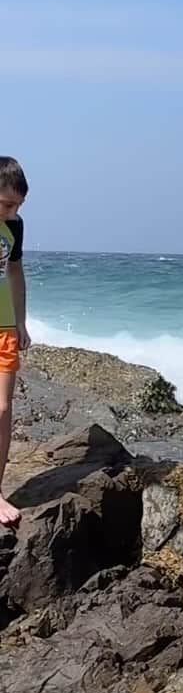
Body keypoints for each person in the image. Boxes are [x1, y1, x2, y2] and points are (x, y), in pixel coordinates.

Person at [0, 156, 30, 528]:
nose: (12, 212)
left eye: (18, 206)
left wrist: (21, 321)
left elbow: (15, 271)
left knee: (2, 409)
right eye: (6, 204)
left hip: (4, 327)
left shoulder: (14, 227)